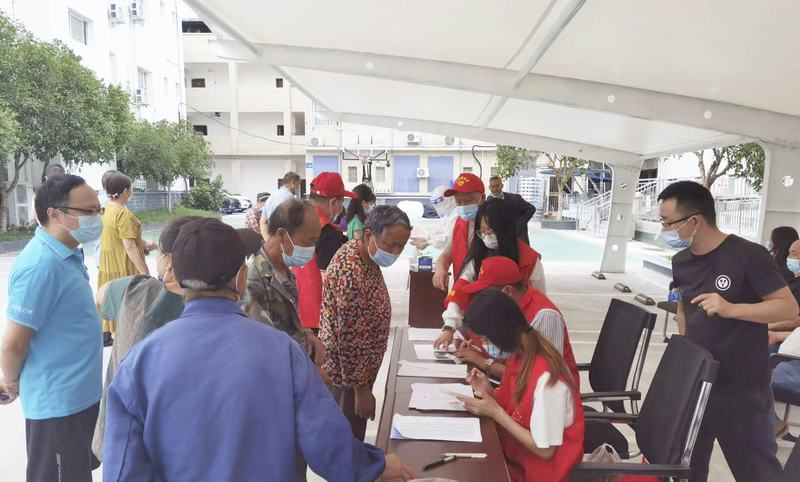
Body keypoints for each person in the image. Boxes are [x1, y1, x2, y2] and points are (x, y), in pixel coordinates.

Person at [102, 217, 414, 481]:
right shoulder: (282, 351)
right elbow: (325, 442)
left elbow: (123, 468)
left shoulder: (139, 362)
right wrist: (375, 466)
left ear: (177, 277)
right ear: (241, 277)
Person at [658, 180, 799, 481]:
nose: (664, 230)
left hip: (742, 388)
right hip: (697, 383)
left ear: (694, 221)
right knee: (687, 466)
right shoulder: (680, 261)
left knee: (756, 471)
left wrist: (731, 308)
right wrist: (687, 354)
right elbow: (684, 309)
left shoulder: (748, 255)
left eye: (668, 223)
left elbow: (788, 308)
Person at [91, 216, 222, 460]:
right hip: (184, 450)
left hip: (123, 443)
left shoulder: (136, 290)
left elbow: (101, 295)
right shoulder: (219, 307)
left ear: (170, 261)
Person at [1, 174, 104, 482]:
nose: (96, 217)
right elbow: (13, 343)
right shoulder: (41, 265)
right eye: (88, 211)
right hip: (58, 406)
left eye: (98, 209)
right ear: (55, 214)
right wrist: (11, 381)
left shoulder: (68, 252)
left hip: (80, 397)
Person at [455, 289, 584, 482]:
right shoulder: (520, 356)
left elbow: (545, 449)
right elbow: (517, 409)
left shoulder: (548, 379)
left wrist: (495, 412)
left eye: (485, 339)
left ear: (501, 332)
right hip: (514, 461)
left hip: (538, 475)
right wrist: (489, 392)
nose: (484, 345)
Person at [320, 205, 412, 441]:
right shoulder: (350, 272)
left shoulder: (364, 254)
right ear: (369, 234)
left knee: (353, 436)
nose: (396, 252)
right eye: (391, 244)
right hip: (347, 379)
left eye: (402, 246)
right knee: (347, 439)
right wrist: (361, 391)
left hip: (360, 374)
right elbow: (349, 339)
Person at [434, 198, 545, 349]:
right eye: (482, 232)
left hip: (518, 338)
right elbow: (460, 290)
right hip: (482, 337)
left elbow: (539, 302)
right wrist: (449, 326)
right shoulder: (478, 253)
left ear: (506, 229)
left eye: (491, 231)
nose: (486, 237)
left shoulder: (529, 261)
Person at [449, 256, 576, 383]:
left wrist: (483, 362)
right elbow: (518, 360)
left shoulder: (545, 315)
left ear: (508, 291)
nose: (485, 300)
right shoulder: (510, 311)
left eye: (488, 294)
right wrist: (484, 352)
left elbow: (542, 377)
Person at [245, 199, 326, 371]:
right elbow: (260, 344)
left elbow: (289, 317)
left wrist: (306, 332)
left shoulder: (283, 268)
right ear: (282, 235)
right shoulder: (254, 278)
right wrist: (307, 373)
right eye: (309, 241)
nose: (312, 249)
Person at [98, 172, 157, 346]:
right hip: (123, 266)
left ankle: (119, 346)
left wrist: (144, 243)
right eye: (131, 188)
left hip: (109, 265)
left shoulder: (107, 210)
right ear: (125, 191)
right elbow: (129, 246)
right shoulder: (123, 214)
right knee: (127, 311)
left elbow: (120, 237)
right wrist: (144, 272)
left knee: (114, 306)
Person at [294, 172, 353, 331]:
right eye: (342, 201)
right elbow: (330, 279)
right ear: (334, 202)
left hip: (298, 307)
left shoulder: (298, 220)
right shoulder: (326, 232)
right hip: (319, 314)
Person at [432, 173, 486, 291]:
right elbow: (447, 255)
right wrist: (440, 270)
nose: (463, 206)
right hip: (461, 291)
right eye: (459, 202)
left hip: (487, 294)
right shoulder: (459, 223)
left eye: (469, 200)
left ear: (483, 198)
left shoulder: (493, 226)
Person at [488, 175, 536, 245]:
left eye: (497, 186)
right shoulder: (488, 201)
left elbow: (531, 209)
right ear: (489, 187)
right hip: (501, 241)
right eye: (492, 186)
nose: (495, 189)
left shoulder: (515, 198)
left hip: (518, 239)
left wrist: (516, 226)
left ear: (502, 186)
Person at [410, 185, 458, 250]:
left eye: (439, 203)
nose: (438, 206)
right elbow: (439, 228)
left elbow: (448, 238)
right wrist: (425, 238)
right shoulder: (449, 213)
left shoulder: (456, 214)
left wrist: (428, 243)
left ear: (448, 199)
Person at [259, 171, 301, 239]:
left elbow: (263, 222)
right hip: (284, 240)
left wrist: (267, 240)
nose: (298, 187)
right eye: (298, 184)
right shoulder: (290, 198)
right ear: (293, 182)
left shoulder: (272, 196)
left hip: (272, 240)